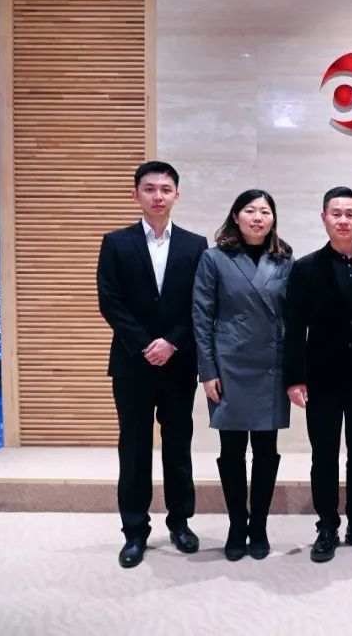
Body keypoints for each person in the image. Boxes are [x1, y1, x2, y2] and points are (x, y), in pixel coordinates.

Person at [96, 160, 208, 568]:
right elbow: (109, 301)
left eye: (165, 189)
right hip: (132, 363)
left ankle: (180, 523)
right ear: (136, 195)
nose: (157, 196)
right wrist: (146, 344)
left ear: (177, 195)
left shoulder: (195, 245)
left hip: (179, 363)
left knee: (178, 446)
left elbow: (200, 302)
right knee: (134, 448)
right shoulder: (116, 242)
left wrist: (172, 342)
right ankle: (134, 531)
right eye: (149, 189)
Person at [282, 186, 352, 563]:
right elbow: (294, 327)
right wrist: (294, 378)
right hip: (321, 379)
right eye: (336, 213)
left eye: (349, 214)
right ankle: (327, 525)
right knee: (324, 455)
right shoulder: (305, 268)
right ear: (324, 218)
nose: (343, 220)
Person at [192, 189, 294, 561]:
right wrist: (207, 370)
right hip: (228, 365)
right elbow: (201, 317)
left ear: (273, 219)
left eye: (265, 211)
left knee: (266, 450)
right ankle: (237, 524)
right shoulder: (214, 258)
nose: (257, 217)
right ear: (236, 217)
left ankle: (259, 525)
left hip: (271, 364)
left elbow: (294, 316)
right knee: (232, 450)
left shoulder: (284, 258)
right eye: (250, 210)